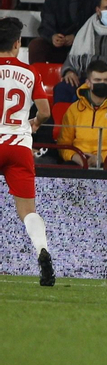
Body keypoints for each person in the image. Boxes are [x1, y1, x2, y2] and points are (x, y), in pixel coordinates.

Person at [0, 18, 51, 283]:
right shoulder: (30, 72)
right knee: (28, 211)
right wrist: (35, 123)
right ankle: (42, 248)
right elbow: (45, 111)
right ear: (17, 43)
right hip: (19, 146)